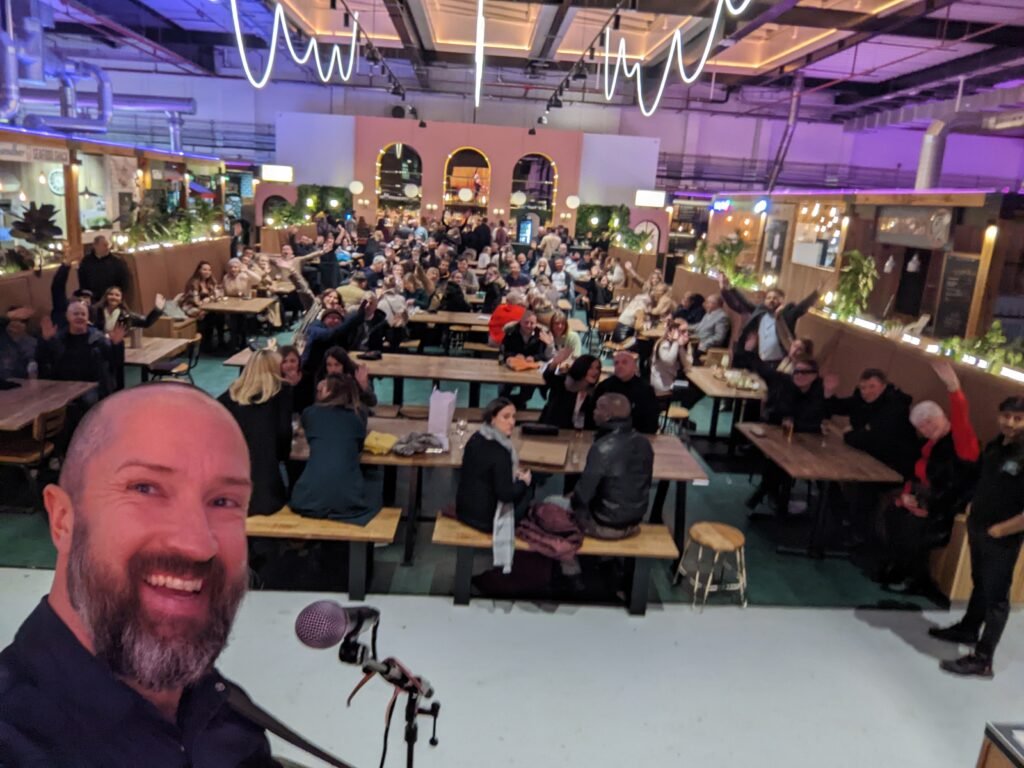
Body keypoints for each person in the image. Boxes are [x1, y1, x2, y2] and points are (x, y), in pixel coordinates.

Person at [0, 384, 281, 765]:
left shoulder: (228, 721)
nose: (198, 543)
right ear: (63, 519)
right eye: (145, 488)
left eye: (223, 501)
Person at [930, 396, 1024, 678]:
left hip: (1002, 535)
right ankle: (969, 628)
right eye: (1006, 415)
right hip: (979, 526)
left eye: (1018, 418)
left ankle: (983, 659)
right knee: (980, 583)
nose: (1010, 422)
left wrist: (1004, 529)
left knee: (996, 597)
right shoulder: (997, 445)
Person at [879, 361, 980, 591]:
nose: (925, 429)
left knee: (913, 524)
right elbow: (914, 475)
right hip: (926, 497)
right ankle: (897, 566)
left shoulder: (962, 442)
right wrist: (907, 496)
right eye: (921, 427)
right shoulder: (928, 444)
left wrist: (954, 387)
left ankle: (915, 577)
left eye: (929, 423)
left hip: (948, 505)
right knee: (893, 510)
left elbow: (961, 417)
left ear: (941, 417)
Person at [290, 374, 377, 524]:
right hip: (349, 499)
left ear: (332, 392)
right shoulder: (359, 415)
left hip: (309, 497)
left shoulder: (310, 414)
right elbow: (358, 446)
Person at [218, 349, 293, 517]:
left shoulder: (231, 395)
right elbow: (284, 434)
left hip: (232, 483)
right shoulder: (282, 392)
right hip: (266, 486)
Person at [570, 393, 654, 537]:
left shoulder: (601, 448)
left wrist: (572, 500)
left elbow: (583, 496)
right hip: (635, 521)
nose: (593, 412)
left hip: (604, 524)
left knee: (551, 502)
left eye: (597, 408)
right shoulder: (644, 443)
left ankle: (570, 558)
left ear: (607, 415)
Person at [824, 368, 918, 478]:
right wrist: (828, 392)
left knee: (848, 476)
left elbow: (872, 439)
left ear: (884, 386)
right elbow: (838, 407)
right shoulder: (861, 399)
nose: (866, 391)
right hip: (869, 456)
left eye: (872, 386)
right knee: (836, 468)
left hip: (893, 466)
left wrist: (849, 434)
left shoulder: (895, 405)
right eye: (863, 387)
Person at [455, 397, 532, 532]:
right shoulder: (501, 452)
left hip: (463, 511)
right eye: (506, 417)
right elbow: (505, 495)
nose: (512, 422)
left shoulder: (475, 438)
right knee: (529, 488)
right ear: (492, 419)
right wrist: (524, 482)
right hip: (486, 520)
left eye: (513, 417)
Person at [719, 273, 819, 366]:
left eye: (775, 298)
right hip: (760, 359)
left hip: (778, 362)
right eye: (769, 298)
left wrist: (816, 293)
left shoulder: (786, 316)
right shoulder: (760, 313)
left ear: (782, 300)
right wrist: (730, 287)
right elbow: (744, 302)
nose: (771, 300)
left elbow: (801, 307)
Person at [37, 302, 124, 402]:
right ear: (67, 316)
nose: (79, 317)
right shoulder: (58, 339)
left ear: (88, 318)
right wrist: (45, 341)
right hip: (65, 387)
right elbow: (43, 363)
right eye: (75, 314)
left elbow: (116, 363)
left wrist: (117, 345)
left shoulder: (99, 339)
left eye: (83, 314)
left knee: (89, 399)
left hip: (94, 388)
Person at [594, 351, 660, 434]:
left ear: (634, 367)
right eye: (616, 363)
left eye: (624, 362)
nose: (619, 366)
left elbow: (651, 421)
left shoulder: (646, 390)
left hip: (636, 436)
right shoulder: (604, 387)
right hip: (605, 434)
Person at [499, 311, 553, 409]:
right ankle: (507, 404)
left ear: (536, 324)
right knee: (503, 392)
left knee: (527, 395)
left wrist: (534, 358)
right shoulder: (510, 332)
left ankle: (515, 405)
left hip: (530, 370)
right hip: (511, 369)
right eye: (526, 322)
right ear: (520, 322)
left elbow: (543, 355)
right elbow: (503, 352)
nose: (529, 325)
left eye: (532, 323)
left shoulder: (540, 334)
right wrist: (514, 355)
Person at [540, 349, 600, 430]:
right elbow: (548, 376)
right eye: (591, 368)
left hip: (579, 436)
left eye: (597, 368)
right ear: (582, 367)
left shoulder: (595, 393)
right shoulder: (564, 383)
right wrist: (555, 363)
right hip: (553, 430)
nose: (595, 372)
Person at [181, 261, 225, 351]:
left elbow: (218, 294)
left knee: (220, 315)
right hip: (190, 307)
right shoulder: (193, 283)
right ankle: (206, 344)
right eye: (204, 269)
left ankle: (221, 341)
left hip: (206, 306)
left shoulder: (210, 281)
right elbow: (196, 302)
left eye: (209, 270)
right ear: (199, 270)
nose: (207, 272)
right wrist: (210, 299)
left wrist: (210, 299)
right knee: (208, 315)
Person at [650, 320, 692, 402]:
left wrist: (681, 347)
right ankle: (677, 411)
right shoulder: (664, 344)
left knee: (693, 389)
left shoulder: (679, 345)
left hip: (671, 382)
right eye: (682, 331)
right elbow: (669, 361)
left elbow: (688, 365)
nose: (687, 334)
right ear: (671, 332)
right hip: (662, 387)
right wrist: (676, 342)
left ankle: (680, 410)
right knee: (691, 393)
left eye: (688, 331)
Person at [76, 235, 129, 299]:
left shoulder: (117, 262)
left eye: (107, 245)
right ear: (95, 246)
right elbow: (82, 281)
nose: (107, 248)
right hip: (93, 299)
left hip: (112, 298)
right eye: (104, 245)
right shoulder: (86, 262)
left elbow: (124, 281)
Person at [0, 305, 37, 379]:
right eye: (12, 321)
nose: (15, 324)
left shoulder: (32, 343)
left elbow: (33, 367)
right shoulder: (2, 339)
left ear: (25, 325)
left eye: (19, 321)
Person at [691, 294, 731, 359]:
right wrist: (687, 326)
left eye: (708, 302)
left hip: (705, 346)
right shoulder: (708, 313)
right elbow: (699, 326)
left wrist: (705, 344)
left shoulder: (722, 317)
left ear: (715, 304)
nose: (706, 305)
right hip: (696, 341)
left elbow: (719, 337)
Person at [279, 344, 314, 414]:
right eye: (284, 362)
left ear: (299, 361)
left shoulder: (309, 378)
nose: (289, 365)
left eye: (292, 361)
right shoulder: (277, 382)